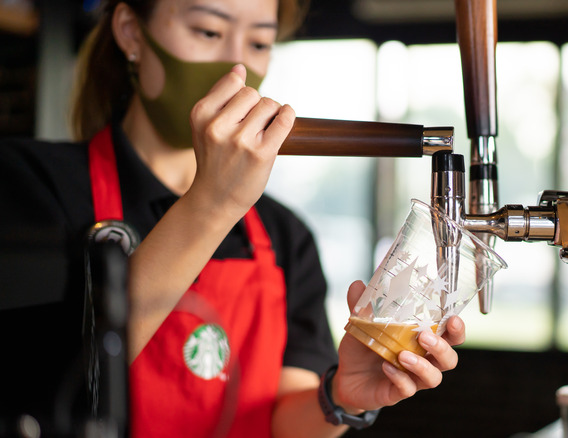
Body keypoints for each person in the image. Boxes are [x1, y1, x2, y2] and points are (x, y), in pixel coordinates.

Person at [0, 0, 466, 436]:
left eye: (259, 43)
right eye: (207, 31)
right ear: (130, 32)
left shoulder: (285, 235)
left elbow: (281, 418)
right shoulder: (28, 183)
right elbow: (52, 387)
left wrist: (339, 395)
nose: (235, 65)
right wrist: (213, 202)